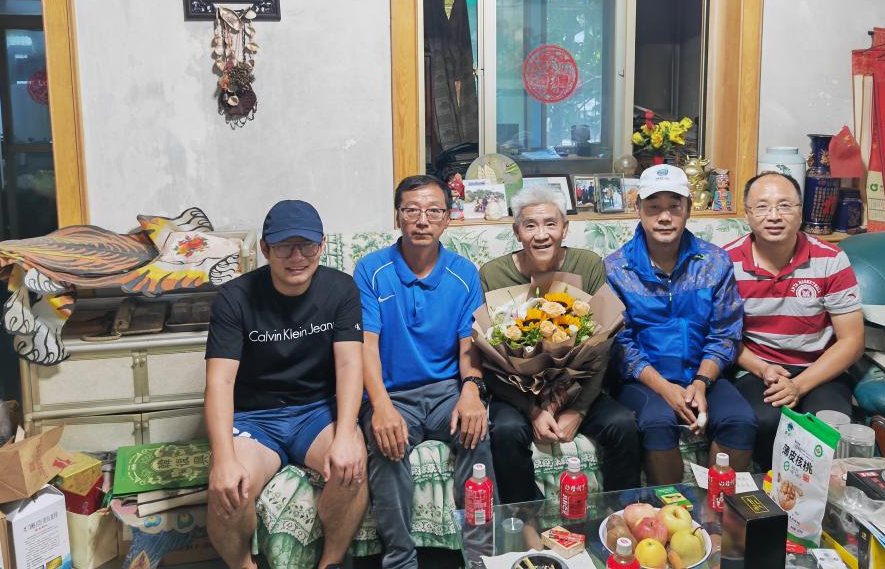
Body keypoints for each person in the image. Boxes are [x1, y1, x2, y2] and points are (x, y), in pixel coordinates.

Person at [204, 200, 367, 569]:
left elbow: (349, 363)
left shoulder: (340, 289)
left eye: (306, 246)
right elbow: (219, 381)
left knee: (351, 467)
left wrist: (346, 434)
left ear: (321, 245)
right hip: (254, 419)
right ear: (265, 249)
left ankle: (330, 563)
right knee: (231, 489)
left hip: (316, 413)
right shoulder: (234, 298)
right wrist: (224, 459)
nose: (297, 257)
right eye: (284, 247)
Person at [354, 175, 493, 569]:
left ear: (447, 218)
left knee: (477, 432)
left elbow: (469, 346)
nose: (422, 220)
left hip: (447, 390)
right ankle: (400, 559)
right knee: (387, 445)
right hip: (392, 394)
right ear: (397, 216)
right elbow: (366, 345)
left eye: (433, 211)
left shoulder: (463, 272)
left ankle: (481, 555)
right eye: (411, 210)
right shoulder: (372, 269)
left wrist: (471, 392)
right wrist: (381, 406)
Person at [479, 184, 641, 503]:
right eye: (530, 225)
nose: (541, 235)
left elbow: (603, 342)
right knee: (507, 431)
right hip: (518, 395)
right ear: (517, 232)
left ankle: (620, 515)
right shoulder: (493, 274)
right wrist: (532, 410)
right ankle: (526, 519)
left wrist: (578, 410)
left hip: (579, 388)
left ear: (565, 229)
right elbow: (489, 356)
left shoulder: (587, 264)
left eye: (551, 224)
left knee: (622, 424)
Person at [605, 164, 756, 484]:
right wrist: (665, 389)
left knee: (740, 419)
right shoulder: (617, 268)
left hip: (702, 374)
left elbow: (725, 333)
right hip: (643, 381)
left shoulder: (714, 262)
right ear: (638, 209)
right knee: (657, 422)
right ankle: (672, 510)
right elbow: (620, 345)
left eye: (674, 206)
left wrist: (701, 382)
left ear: (688, 209)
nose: (664, 217)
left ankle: (720, 508)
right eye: (653, 207)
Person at [724, 172, 864, 469]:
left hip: (820, 368)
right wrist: (762, 368)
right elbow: (722, 335)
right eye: (762, 207)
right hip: (758, 368)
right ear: (747, 214)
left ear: (800, 212)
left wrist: (798, 385)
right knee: (764, 420)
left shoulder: (830, 259)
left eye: (785, 206)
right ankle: (771, 493)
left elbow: (852, 341)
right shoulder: (726, 262)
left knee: (826, 427)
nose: (774, 216)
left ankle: (818, 498)